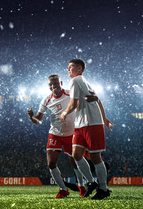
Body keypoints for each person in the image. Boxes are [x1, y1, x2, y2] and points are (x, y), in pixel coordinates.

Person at [28, 74, 97, 198]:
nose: (54, 86)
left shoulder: (70, 93)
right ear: (49, 86)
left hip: (72, 133)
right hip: (55, 134)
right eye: (51, 84)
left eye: (56, 83)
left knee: (75, 160)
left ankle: (82, 185)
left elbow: (85, 98)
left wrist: (92, 98)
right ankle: (63, 189)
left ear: (61, 82)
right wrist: (31, 117)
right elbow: (38, 120)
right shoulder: (46, 100)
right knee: (51, 163)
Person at [60, 58, 114, 200]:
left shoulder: (76, 80)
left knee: (96, 157)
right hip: (80, 124)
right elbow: (98, 99)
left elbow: (73, 103)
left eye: (70, 67)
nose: (68, 69)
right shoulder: (83, 82)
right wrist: (105, 118)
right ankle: (91, 182)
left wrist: (64, 113)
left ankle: (103, 188)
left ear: (79, 69)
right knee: (76, 155)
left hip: (92, 123)